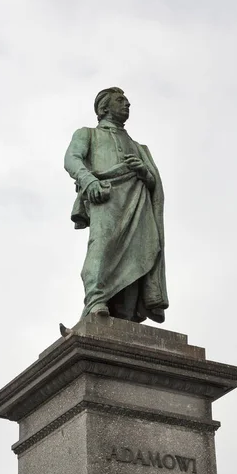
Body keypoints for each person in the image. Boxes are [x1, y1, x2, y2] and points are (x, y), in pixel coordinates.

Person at [64, 87, 169, 323]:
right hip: (106, 194)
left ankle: (125, 314)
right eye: (120, 100)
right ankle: (96, 300)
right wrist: (88, 180)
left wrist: (144, 172)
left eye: (127, 101)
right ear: (104, 107)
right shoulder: (88, 134)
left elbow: (153, 183)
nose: (127, 104)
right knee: (103, 246)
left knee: (140, 251)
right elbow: (71, 158)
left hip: (138, 197)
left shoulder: (139, 147)